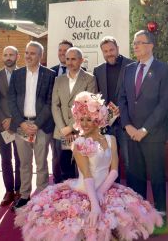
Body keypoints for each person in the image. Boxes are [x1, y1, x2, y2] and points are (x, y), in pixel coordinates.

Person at [15, 91, 163, 240]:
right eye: (81, 119)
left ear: (98, 119)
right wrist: (95, 202)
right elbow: (87, 175)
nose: (84, 124)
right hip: (85, 189)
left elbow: (114, 171)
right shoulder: (79, 143)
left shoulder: (111, 139)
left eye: (89, 119)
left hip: (106, 188)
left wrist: (101, 193)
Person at [119, 30, 168, 232]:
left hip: (153, 135)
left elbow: (164, 103)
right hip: (131, 134)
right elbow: (122, 99)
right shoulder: (129, 69)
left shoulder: (163, 69)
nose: (136, 46)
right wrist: (128, 126)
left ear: (151, 46)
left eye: (140, 43)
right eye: (134, 43)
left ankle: (160, 218)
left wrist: (145, 129)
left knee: (157, 178)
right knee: (135, 177)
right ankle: (137, 216)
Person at [9, 41, 56, 209]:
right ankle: (24, 195)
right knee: (24, 163)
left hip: (41, 126)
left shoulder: (50, 75)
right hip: (21, 126)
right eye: (27, 52)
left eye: (33, 53)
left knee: (41, 163)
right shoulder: (17, 74)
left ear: (40, 56)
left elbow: (50, 102)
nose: (28, 56)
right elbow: (12, 100)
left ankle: (42, 195)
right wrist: (21, 122)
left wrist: (36, 123)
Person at [93, 36, 134, 182]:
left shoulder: (132, 66)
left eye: (111, 49)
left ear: (117, 48)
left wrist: (123, 108)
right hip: (107, 125)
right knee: (109, 163)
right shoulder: (98, 70)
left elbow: (136, 94)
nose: (109, 53)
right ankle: (114, 196)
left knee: (130, 163)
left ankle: (132, 196)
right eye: (105, 51)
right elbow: (96, 97)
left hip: (126, 123)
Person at [52, 47, 97, 181]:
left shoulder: (90, 79)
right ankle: (67, 200)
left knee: (84, 170)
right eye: (67, 59)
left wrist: (71, 128)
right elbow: (55, 105)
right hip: (61, 132)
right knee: (65, 169)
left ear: (81, 60)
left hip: (81, 131)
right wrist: (63, 129)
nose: (70, 62)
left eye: (73, 59)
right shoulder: (58, 80)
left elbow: (88, 106)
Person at [0, 46, 22, 207]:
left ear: (17, 56)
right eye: (6, 54)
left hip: (19, 124)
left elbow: (24, 100)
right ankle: (8, 190)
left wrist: (14, 120)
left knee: (20, 159)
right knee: (5, 159)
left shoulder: (24, 74)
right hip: (2, 125)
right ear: (2, 57)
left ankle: (19, 190)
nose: (8, 57)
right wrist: (5, 120)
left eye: (11, 54)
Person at [50, 39, 73, 183]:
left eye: (66, 51)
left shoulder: (83, 76)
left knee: (73, 157)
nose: (62, 53)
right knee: (56, 156)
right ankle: (57, 186)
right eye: (60, 50)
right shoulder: (50, 72)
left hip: (74, 125)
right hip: (54, 124)